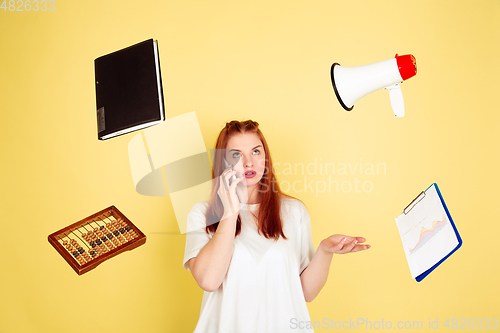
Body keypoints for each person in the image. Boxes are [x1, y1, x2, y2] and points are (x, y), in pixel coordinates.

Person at [183, 120, 370, 333]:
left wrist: (325, 251)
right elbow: (209, 280)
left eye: (255, 151)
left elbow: (304, 293)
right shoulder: (202, 214)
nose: (248, 162)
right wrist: (230, 212)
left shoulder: (294, 211)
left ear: (265, 157)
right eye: (236, 155)